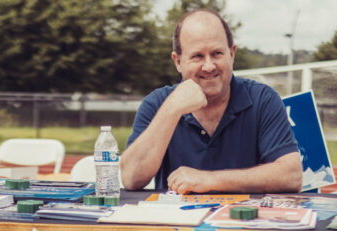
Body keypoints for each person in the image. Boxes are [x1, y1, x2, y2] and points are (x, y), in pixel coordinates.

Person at [120, 8, 302, 194]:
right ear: (178, 61)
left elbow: (291, 176)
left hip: (243, 219)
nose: (208, 66)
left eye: (216, 53)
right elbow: (131, 178)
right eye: (197, 56)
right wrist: (172, 109)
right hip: (178, 221)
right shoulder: (157, 103)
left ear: (231, 54)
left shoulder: (263, 99)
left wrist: (208, 180)